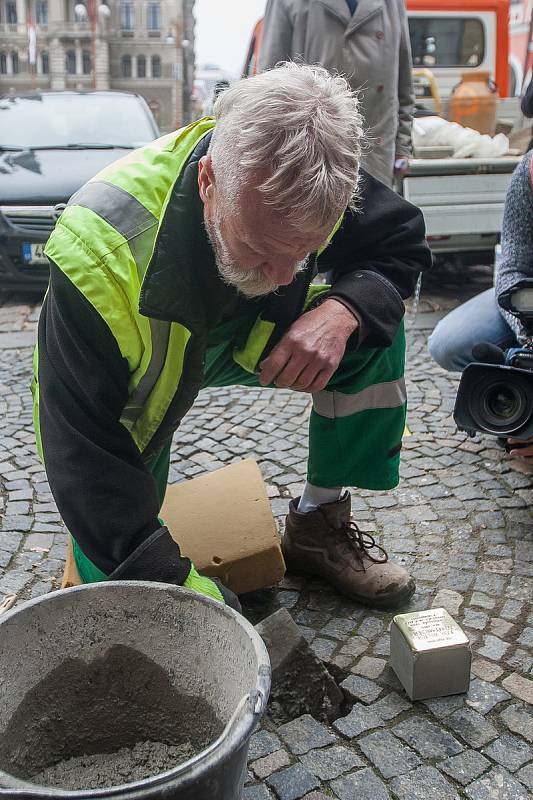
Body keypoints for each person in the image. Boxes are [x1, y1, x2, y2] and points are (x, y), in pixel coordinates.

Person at [33, 64, 431, 612]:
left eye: (304, 252)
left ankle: (318, 522)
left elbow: (400, 242)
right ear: (208, 182)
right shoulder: (97, 252)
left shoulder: (314, 177)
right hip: (136, 375)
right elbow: (80, 447)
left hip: (242, 339)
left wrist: (345, 308)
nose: (287, 275)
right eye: (260, 249)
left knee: (374, 329)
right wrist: (182, 593)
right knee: (124, 580)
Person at [428, 148, 533, 461]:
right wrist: (527, 337)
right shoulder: (529, 172)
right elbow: (511, 268)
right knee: (448, 343)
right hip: (528, 296)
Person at [257, 0, 415, 186]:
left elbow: (403, 83)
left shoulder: (393, 3)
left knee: (374, 212)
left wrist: (402, 147)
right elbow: (270, 84)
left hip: (376, 152)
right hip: (310, 151)